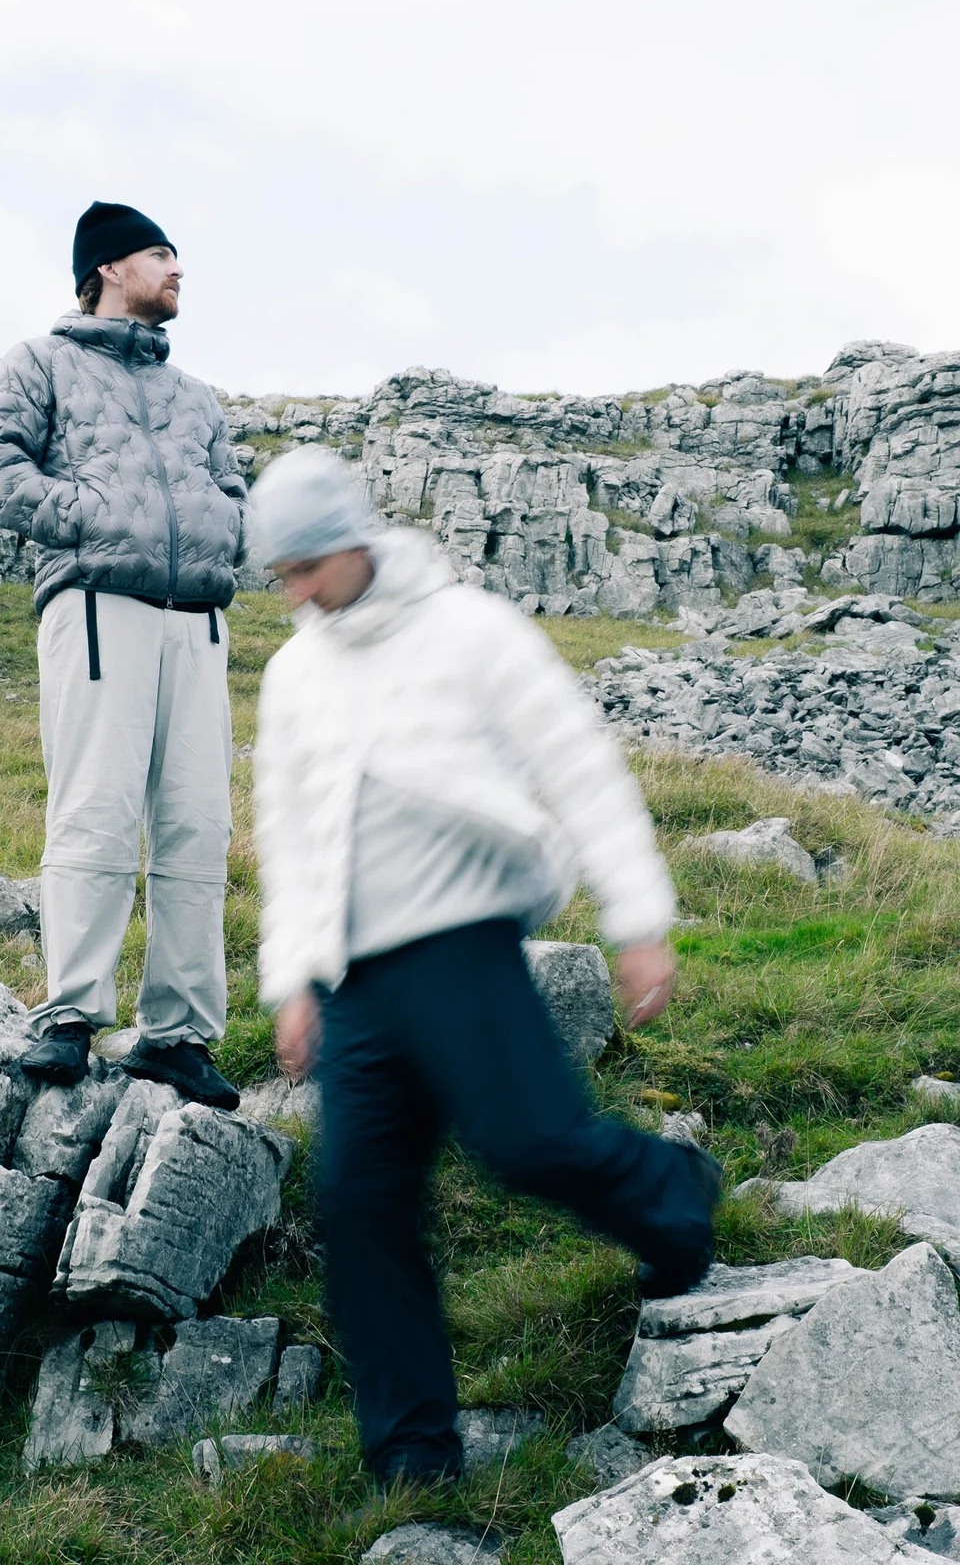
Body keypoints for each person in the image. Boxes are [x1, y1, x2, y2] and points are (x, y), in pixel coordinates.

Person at [251, 446, 722, 1488]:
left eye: (300, 568)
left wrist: (636, 914)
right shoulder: (294, 672)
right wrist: (290, 977)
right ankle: (411, 1454)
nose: (291, 592)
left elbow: (576, 760)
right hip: (355, 985)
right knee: (361, 1206)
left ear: (347, 541)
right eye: (277, 575)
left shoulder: (469, 630)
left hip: (463, 946)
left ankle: (674, 1194)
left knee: (530, 1143)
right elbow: (284, 831)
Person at [0, 201, 245, 1109]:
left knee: (198, 823)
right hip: (96, 606)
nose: (178, 272)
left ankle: (178, 1034)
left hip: (197, 618)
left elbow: (231, 489)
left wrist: (225, 532)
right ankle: (71, 1015)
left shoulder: (194, 395)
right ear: (110, 268)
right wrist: (85, 518)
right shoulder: (39, 361)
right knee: (97, 806)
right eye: (163, 255)